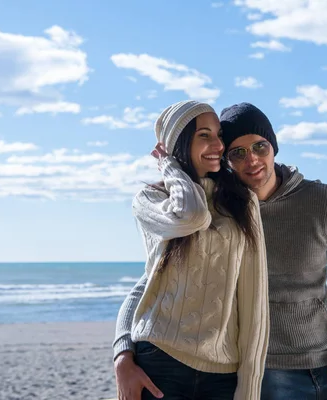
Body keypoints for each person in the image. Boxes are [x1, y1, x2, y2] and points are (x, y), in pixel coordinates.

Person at [114, 102, 327, 400]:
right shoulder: (221, 211)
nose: (252, 160)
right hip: (265, 372)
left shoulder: (323, 201)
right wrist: (123, 351)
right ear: (225, 159)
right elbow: (152, 283)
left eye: (260, 147)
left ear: (273, 147)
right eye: (237, 153)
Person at [113, 100, 270, 400]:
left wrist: (249, 390)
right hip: (160, 362)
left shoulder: (243, 202)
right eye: (204, 135)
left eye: (219, 135)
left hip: (223, 373)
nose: (218, 145)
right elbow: (192, 216)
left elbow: (254, 303)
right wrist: (171, 166)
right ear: (180, 142)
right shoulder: (150, 198)